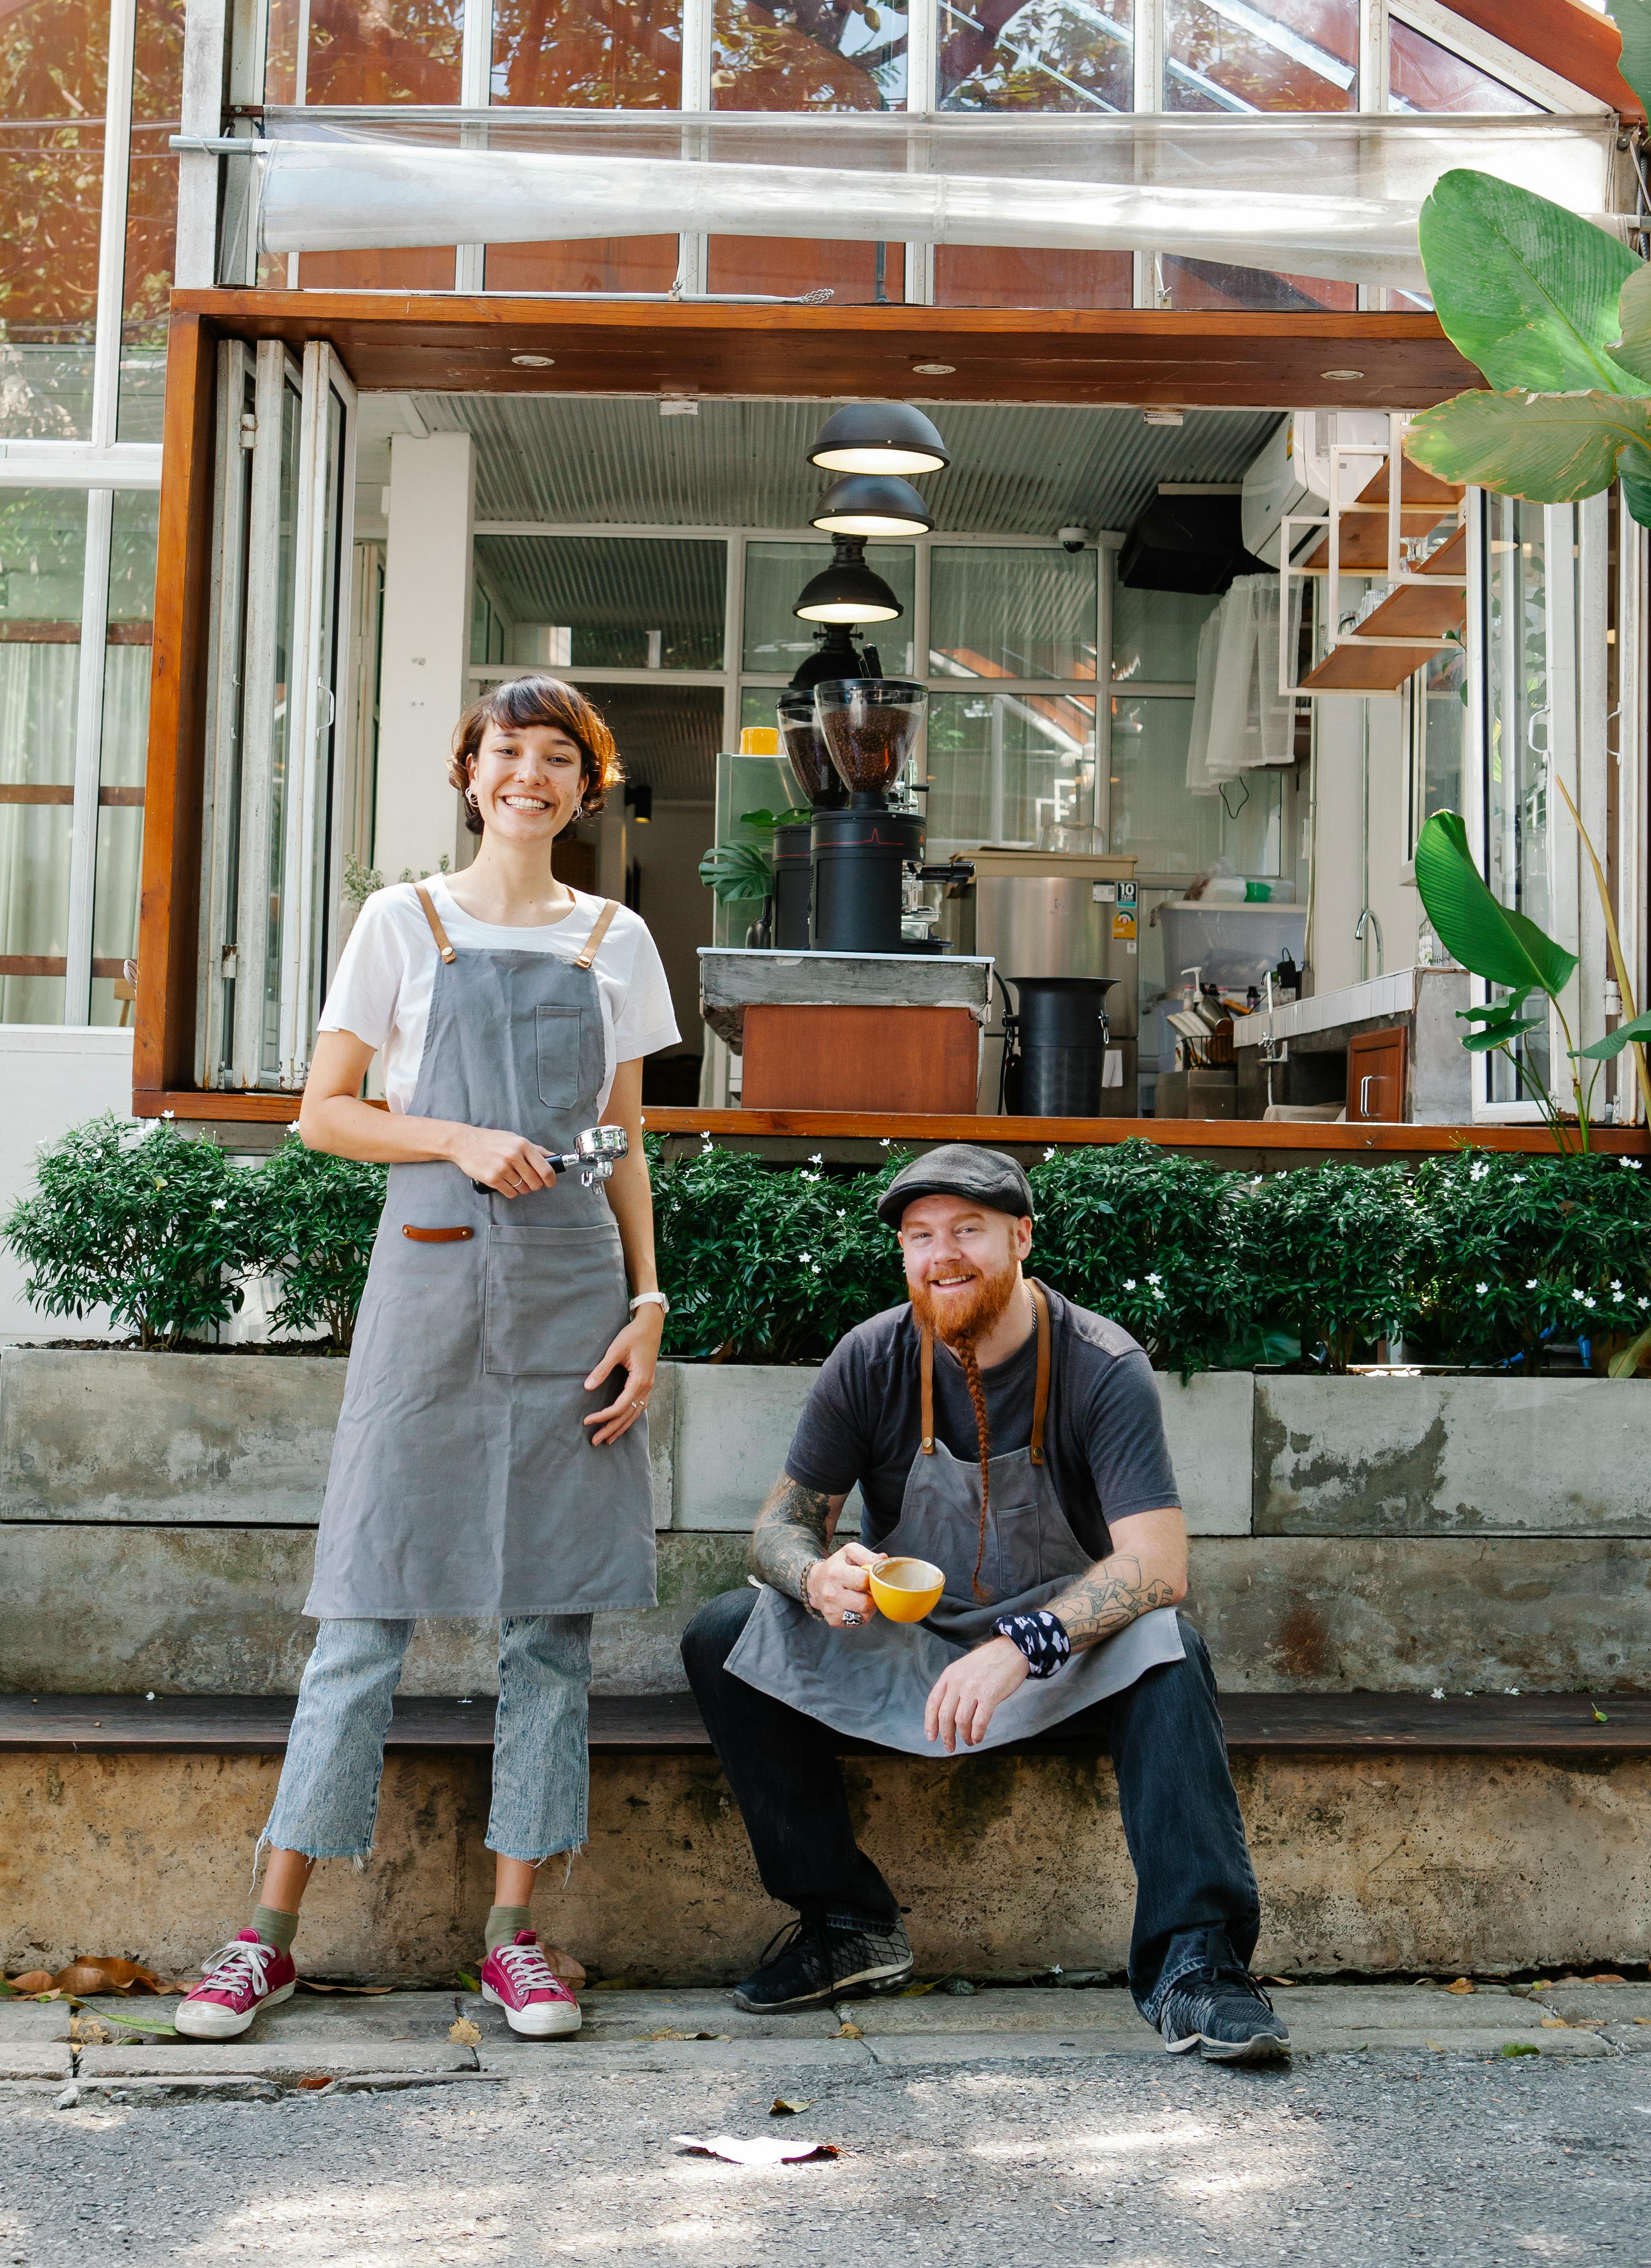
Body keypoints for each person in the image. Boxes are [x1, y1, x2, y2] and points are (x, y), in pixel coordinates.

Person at [176, 678, 680, 2043]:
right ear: (471, 774)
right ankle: (264, 1935)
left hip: (576, 1291)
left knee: (550, 1625)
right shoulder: (404, 922)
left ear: (588, 789)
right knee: (365, 1609)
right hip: (435, 1282)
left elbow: (626, 1140)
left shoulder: (617, 940)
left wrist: (650, 1303)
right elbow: (326, 1115)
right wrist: (454, 1136)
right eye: (506, 752)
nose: (530, 776)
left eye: (557, 758)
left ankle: (515, 1939)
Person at [681, 1143, 1287, 2066]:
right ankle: (848, 1922)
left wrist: (1025, 1643)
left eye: (968, 1229)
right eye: (921, 1236)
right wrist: (814, 1575)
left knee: (1169, 1644)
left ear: (1021, 1238)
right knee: (725, 1634)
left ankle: (1196, 1965)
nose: (943, 1254)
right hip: (912, 1641)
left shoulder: (1099, 1363)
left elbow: (1159, 1564)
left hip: (1061, 1652)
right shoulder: (870, 1357)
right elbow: (777, 1528)